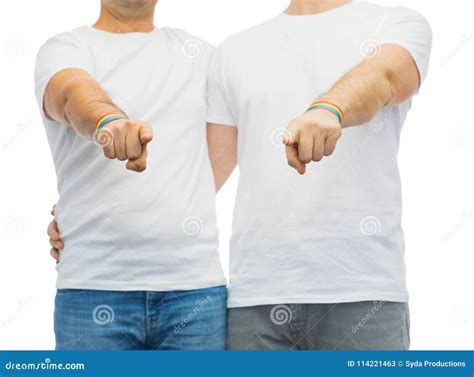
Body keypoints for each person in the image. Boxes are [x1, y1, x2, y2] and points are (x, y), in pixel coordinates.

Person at [206, 0, 432, 350]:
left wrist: (328, 109)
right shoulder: (233, 50)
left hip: (363, 295)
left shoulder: (398, 23)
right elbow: (203, 176)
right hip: (255, 298)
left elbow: (384, 77)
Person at [35, 0, 227, 350]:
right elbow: (71, 95)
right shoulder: (65, 49)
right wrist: (109, 122)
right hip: (92, 290)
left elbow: (228, 143)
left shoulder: (203, 57)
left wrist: (176, 202)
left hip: (195, 292)